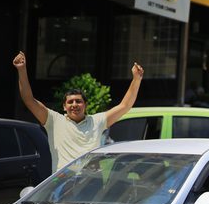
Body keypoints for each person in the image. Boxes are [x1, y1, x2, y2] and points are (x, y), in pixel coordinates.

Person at [13, 51, 144, 171]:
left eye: (78, 101)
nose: (74, 105)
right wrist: (22, 70)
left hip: (91, 181)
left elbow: (125, 106)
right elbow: (29, 100)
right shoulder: (54, 120)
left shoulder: (97, 121)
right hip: (63, 182)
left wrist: (136, 79)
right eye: (70, 102)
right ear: (64, 106)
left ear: (85, 105)